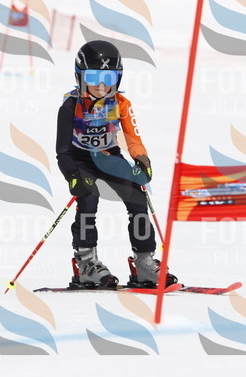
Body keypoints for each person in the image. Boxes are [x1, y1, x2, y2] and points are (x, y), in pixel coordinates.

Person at [55, 40, 177, 289]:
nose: (101, 86)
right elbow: (63, 151)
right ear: (80, 76)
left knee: (137, 197)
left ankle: (144, 262)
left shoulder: (121, 103)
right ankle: (86, 263)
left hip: (109, 157)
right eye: (93, 77)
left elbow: (133, 139)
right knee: (88, 197)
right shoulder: (70, 106)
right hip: (81, 159)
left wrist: (141, 159)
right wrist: (72, 175)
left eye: (108, 78)